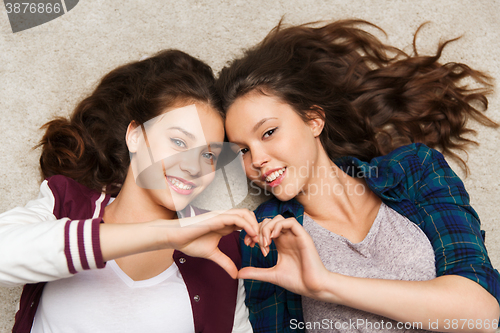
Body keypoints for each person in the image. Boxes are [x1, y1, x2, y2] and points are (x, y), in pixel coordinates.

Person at [216, 19, 500, 332]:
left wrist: (326, 285)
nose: (257, 159)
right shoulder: (264, 238)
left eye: (268, 132)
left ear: (313, 120)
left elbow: (482, 314)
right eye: (241, 150)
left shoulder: (414, 171)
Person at [0, 49, 259, 332]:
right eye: (179, 142)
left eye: (209, 156)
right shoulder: (64, 202)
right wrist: (166, 233)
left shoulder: (222, 247)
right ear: (135, 135)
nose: (193, 167)